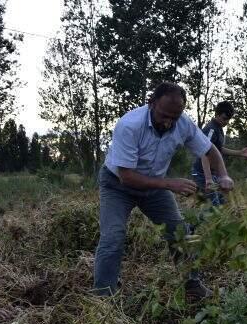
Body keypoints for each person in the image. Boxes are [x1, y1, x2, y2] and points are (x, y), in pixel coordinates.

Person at [94, 82, 234, 300]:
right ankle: (103, 298)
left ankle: (192, 287)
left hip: (154, 186)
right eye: (164, 115)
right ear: (151, 103)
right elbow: (127, 176)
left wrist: (223, 175)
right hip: (118, 185)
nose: (168, 123)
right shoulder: (129, 125)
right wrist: (169, 184)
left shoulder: (183, 123)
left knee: (180, 232)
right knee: (113, 236)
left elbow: (210, 150)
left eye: (174, 118)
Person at [191, 101, 247, 206]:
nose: (226, 122)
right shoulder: (211, 129)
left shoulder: (219, 129)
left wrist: (240, 153)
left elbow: (218, 149)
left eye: (228, 119)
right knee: (213, 205)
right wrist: (208, 179)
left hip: (213, 173)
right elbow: (204, 153)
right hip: (202, 173)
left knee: (221, 202)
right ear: (217, 114)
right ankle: (201, 221)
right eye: (224, 118)